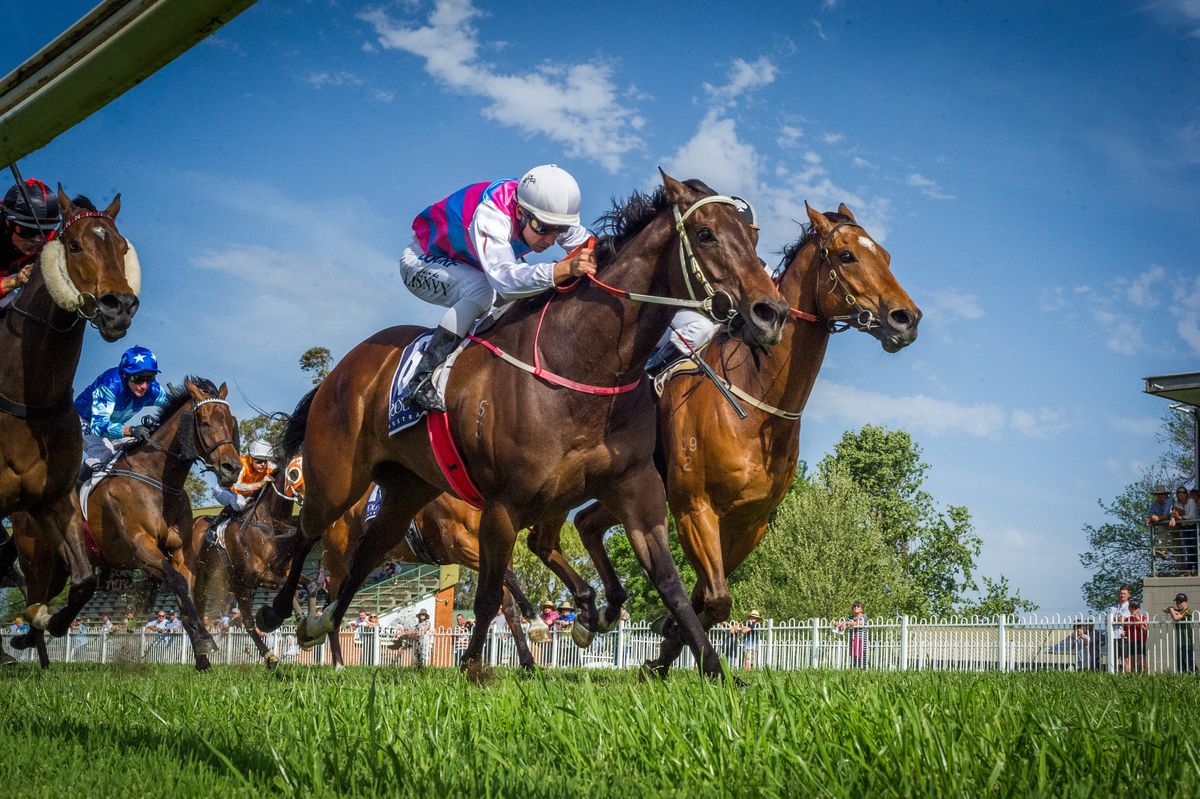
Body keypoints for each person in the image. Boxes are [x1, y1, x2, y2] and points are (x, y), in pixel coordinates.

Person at [396, 165, 596, 412]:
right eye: (542, 228)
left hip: (471, 264)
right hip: (421, 260)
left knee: (523, 300)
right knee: (483, 291)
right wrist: (561, 270)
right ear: (521, 212)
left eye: (560, 231)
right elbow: (505, 282)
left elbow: (591, 250)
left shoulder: (548, 211)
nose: (550, 239)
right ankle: (422, 376)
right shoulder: (492, 213)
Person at [74, 345, 170, 472]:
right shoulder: (110, 384)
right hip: (84, 421)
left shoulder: (152, 389)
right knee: (106, 455)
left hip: (112, 425)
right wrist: (132, 430)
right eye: (138, 378)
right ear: (125, 375)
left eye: (150, 378)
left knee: (138, 449)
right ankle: (74, 489)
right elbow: (99, 427)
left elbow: (176, 404)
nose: (144, 386)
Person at [0, 178, 59, 305]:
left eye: (46, 231)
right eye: (30, 231)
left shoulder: (50, 238)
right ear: (8, 222)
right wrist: (12, 282)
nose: (38, 240)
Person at [213, 439, 276, 521]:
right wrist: (260, 484)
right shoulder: (241, 464)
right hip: (224, 490)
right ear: (251, 458)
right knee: (240, 503)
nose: (263, 465)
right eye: (259, 461)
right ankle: (218, 524)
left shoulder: (269, 466)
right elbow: (235, 488)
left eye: (265, 461)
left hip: (244, 494)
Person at [1164, 592, 1196, 674]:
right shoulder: (1179, 610)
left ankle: (1194, 676)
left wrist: (1172, 609)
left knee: (1189, 662)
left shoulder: (1187, 610)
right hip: (1180, 642)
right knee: (1181, 664)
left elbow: (1176, 617)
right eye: (1177, 602)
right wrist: (1174, 610)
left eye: (1181, 602)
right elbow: (1164, 610)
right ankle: (1184, 677)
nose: (1178, 604)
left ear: (1186, 602)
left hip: (1187, 641)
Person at [833, 601, 869, 668]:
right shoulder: (850, 617)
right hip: (852, 639)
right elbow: (838, 622)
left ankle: (863, 669)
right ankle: (853, 668)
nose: (856, 608)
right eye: (854, 606)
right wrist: (838, 623)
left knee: (862, 656)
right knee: (853, 655)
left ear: (861, 609)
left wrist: (846, 623)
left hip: (861, 640)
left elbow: (860, 623)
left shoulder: (864, 616)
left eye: (858, 606)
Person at [1107, 585, 1131, 669]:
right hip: (1113, 636)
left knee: (1125, 658)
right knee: (1112, 658)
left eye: (1124, 593)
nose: (1122, 595)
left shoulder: (1129, 607)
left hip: (1123, 636)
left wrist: (1113, 618)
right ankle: (1112, 674)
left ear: (1128, 595)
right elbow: (1107, 619)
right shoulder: (1113, 607)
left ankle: (1127, 676)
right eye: (1121, 593)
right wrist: (1115, 619)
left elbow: (1123, 619)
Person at [1122, 599, 1149, 674]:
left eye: (1135, 608)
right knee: (1132, 662)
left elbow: (1145, 631)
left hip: (1140, 642)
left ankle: (1145, 675)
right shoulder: (1127, 619)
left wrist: (1139, 621)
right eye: (1131, 607)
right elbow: (1125, 632)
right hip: (1131, 642)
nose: (1133, 609)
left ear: (1138, 609)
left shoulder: (1142, 618)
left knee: (1141, 661)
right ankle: (1133, 676)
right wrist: (1123, 634)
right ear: (1129, 608)